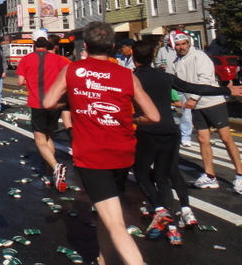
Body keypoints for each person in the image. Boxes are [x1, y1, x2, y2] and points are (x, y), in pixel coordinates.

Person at [43, 21, 160, 265]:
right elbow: (153, 116)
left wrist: (75, 103)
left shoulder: (73, 70)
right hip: (123, 152)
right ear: (113, 46)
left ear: (85, 45)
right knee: (108, 215)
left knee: (115, 222)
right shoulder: (126, 74)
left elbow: (48, 103)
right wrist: (130, 117)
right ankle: (103, 259)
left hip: (93, 155)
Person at [130, 40, 242, 243]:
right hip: (170, 131)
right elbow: (195, 87)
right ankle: (173, 227)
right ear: (153, 56)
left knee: (142, 173)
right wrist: (227, 91)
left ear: (133, 58)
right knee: (164, 177)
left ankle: (160, 210)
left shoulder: (132, 78)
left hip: (147, 131)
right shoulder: (165, 77)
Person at [169, 31, 242, 193]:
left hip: (213, 102)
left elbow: (206, 79)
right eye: (178, 45)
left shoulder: (199, 56)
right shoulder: (176, 62)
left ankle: (240, 175)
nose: (181, 47)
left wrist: (193, 98)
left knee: (226, 138)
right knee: (203, 139)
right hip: (196, 107)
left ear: (189, 43)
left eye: (184, 44)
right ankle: (210, 175)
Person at [16, 29, 70, 191]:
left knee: (40, 140)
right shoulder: (58, 59)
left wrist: (32, 81)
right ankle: (50, 171)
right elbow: (68, 75)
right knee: (49, 137)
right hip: (54, 103)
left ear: (33, 43)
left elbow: (19, 82)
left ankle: (55, 167)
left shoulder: (26, 59)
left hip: (37, 102)